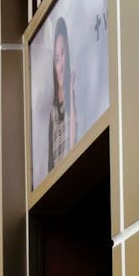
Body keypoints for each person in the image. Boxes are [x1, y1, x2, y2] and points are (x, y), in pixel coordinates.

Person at [47, 15, 79, 171]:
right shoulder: (52, 112)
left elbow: (72, 145)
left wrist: (71, 93)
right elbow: (50, 164)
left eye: (63, 54)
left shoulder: (72, 96)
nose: (59, 66)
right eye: (56, 58)